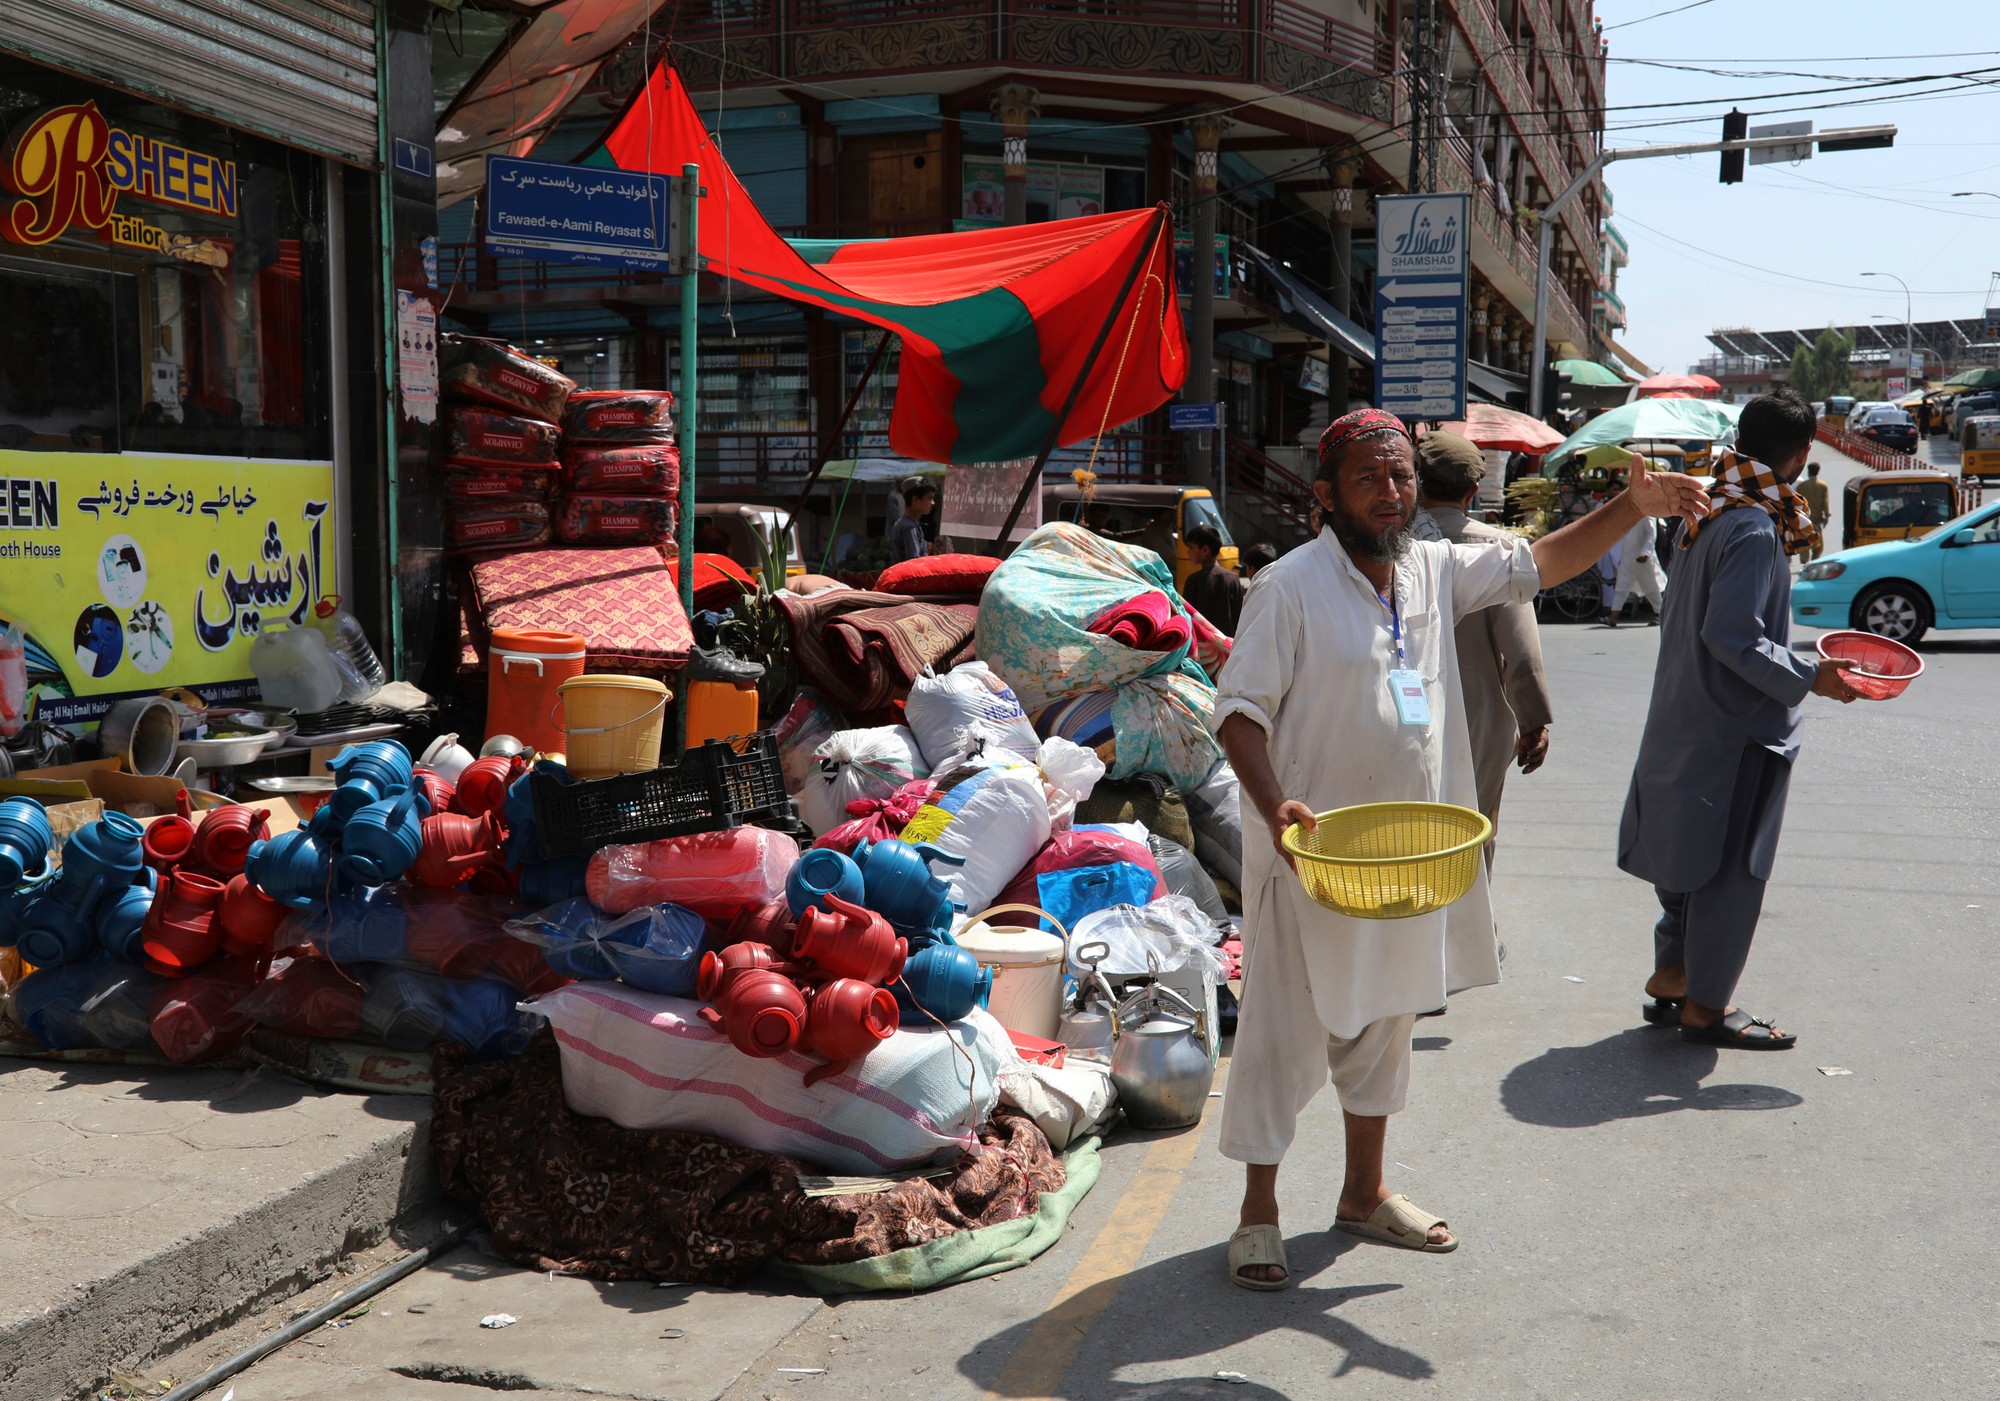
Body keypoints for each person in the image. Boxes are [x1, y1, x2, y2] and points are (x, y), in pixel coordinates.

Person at [1216, 408, 1708, 1291]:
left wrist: (1631, 508)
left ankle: (1363, 1193)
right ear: (1325, 494)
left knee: (1388, 1019)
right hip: (1310, 859)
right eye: (1369, 478)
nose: (1392, 491)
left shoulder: (1433, 569)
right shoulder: (1285, 587)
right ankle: (1259, 1210)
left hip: (1406, 857)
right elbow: (1240, 714)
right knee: (1282, 1034)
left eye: (1401, 475)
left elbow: (1539, 562)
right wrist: (1276, 807)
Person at [1620, 390, 1865, 1053]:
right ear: (1803, 454)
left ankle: (1673, 974)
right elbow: (1733, 636)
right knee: (1731, 872)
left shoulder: (1711, 511)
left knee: (1687, 861)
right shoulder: (1756, 526)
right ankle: (1706, 1003)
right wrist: (1811, 675)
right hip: (1735, 730)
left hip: (1684, 714)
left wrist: (1800, 662)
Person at [1412, 432, 1553, 869]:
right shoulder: (1499, 549)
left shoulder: (1395, 546)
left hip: (1406, 714)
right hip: (1480, 720)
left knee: (1412, 832)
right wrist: (1533, 724)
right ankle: (1471, 931)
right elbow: (1521, 655)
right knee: (1474, 830)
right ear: (1473, 491)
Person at [1180, 523, 1246, 634]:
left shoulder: (1193, 580)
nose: (1188, 552)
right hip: (1228, 644)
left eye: (1191, 547)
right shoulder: (1233, 578)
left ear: (1205, 550)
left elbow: (1187, 618)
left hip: (1203, 644)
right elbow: (1239, 616)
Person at [1606, 510, 1665, 626]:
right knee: (1621, 587)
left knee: (1651, 587)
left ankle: (1660, 613)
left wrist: (1645, 553)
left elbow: (1651, 534)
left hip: (1642, 558)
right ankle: (1613, 616)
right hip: (1628, 557)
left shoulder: (1648, 513)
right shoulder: (1630, 512)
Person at [889, 478, 935, 563]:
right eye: (929, 498)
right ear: (915, 500)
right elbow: (915, 563)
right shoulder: (909, 527)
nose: (933, 503)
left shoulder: (905, 523)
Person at [1797, 462, 1830, 561]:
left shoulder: (1802, 485)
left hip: (1804, 517)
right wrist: (1827, 516)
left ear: (1808, 471)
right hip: (1817, 519)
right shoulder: (1823, 486)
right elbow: (1825, 502)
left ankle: (1804, 561)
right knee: (1818, 544)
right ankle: (1814, 560)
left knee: (1804, 540)